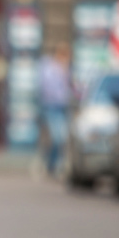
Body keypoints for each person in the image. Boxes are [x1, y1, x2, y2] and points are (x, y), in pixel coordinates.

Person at [38, 43, 72, 176]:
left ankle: (53, 164)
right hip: (51, 106)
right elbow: (48, 88)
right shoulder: (49, 68)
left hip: (63, 106)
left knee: (62, 138)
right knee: (57, 137)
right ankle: (51, 164)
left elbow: (69, 89)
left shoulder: (65, 69)